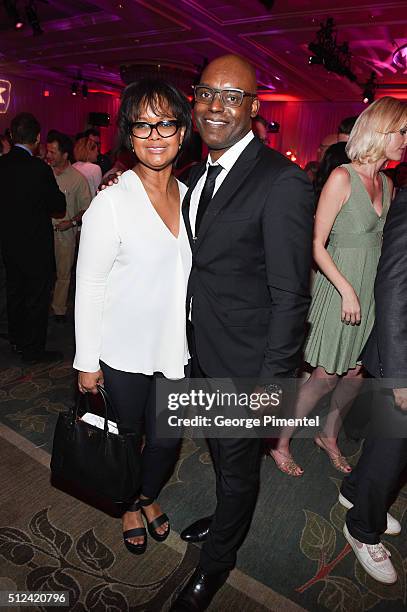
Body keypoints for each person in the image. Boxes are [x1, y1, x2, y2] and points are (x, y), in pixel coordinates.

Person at [170, 54, 314, 611]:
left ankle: (217, 564)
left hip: (247, 366)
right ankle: (225, 515)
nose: (215, 106)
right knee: (223, 457)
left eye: (233, 96)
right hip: (199, 351)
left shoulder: (281, 181)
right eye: (207, 92)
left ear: (254, 108)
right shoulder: (193, 175)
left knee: (236, 464)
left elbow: (290, 297)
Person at [73, 79, 192, 556]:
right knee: (126, 439)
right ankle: (127, 502)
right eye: (142, 124)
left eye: (166, 122)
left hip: (176, 348)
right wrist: (86, 359)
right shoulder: (111, 201)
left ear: (183, 131)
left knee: (166, 441)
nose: (155, 133)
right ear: (129, 134)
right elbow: (90, 286)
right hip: (120, 350)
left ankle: (147, 495)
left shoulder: (193, 197)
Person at [270, 97, 407, 477]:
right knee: (325, 376)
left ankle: (328, 435)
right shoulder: (342, 177)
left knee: (355, 374)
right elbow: (315, 243)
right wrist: (346, 289)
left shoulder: (388, 182)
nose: (405, 140)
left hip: (372, 293)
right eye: (402, 131)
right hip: (339, 288)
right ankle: (280, 441)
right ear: (380, 131)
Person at [341, 182, 407, 585]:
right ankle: (362, 528)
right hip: (402, 356)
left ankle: (356, 490)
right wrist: (400, 376)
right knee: (394, 447)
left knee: (389, 445)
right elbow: (394, 287)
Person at [0, 113, 66, 363]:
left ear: (12, 136)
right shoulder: (39, 169)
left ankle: (17, 340)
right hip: (36, 246)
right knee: (37, 299)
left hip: (8, 244)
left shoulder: (2, 165)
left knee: (15, 294)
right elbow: (58, 205)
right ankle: (33, 349)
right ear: (37, 138)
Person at [46, 131, 91, 323]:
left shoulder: (77, 179)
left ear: (65, 155)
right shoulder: (43, 172)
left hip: (65, 234)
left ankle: (59, 311)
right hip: (42, 233)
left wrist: (72, 222)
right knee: (43, 273)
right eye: (48, 151)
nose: (49, 155)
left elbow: (87, 208)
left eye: (53, 152)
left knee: (63, 274)